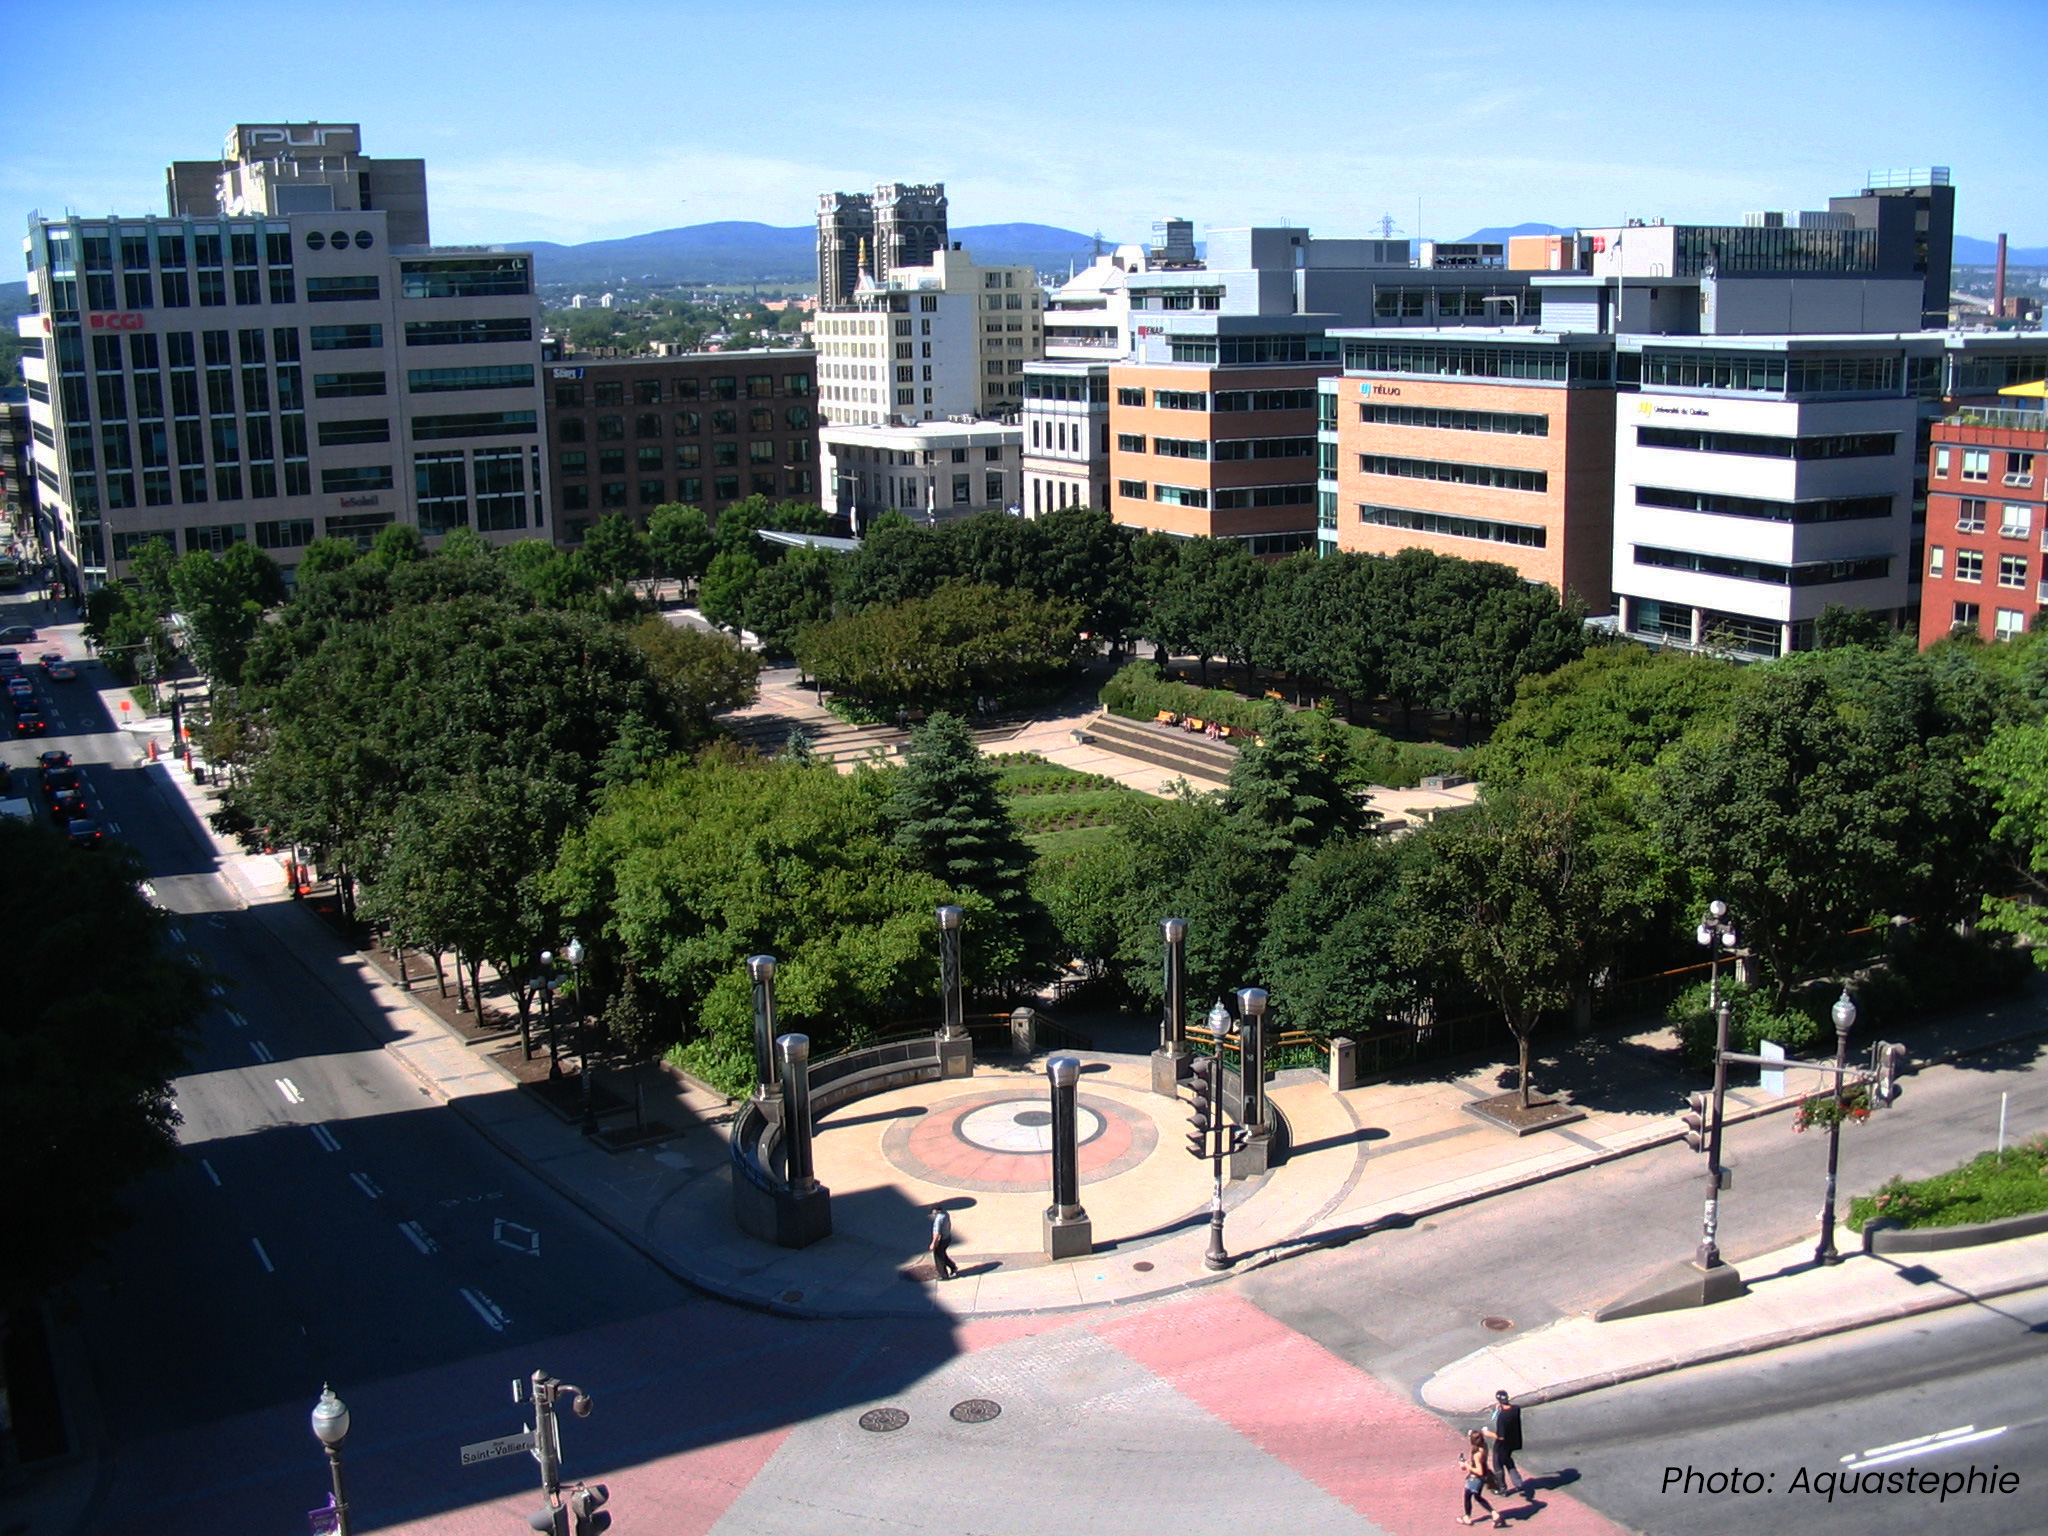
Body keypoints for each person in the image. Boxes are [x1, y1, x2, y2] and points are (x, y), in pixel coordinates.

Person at [1485, 1389, 1533, 1499]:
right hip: (1513, 1443)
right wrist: (1500, 1408)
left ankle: (1502, 1489)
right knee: (1508, 1460)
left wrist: (1488, 1434)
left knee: (1498, 1464)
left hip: (1502, 1445)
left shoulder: (1502, 1417)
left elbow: (1501, 1436)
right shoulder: (1516, 1409)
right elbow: (1510, 1409)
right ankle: (1518, 1482)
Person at [1458, 1428, 1504, 1527]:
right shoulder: (1484, 1446)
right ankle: (1494, 1514)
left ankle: (1467, 1517)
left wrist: (1466, 1466)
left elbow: (1479, 1471)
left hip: (1475, 1478)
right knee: (1478, 1497)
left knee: (1467, 1496)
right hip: (1484, 1476)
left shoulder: (1476, 1454)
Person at [929, 1205, 959, 1280]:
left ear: (936, 1211)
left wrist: (933, 1244)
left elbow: (937, 1234)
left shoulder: (938, 1220)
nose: (932, 1212)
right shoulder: (946, 1214)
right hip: (947, 1238)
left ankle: (944, 1275)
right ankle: (953, 1267)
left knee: (939, 1258)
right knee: (942, 1254)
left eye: (933, 1210)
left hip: (940, 1240)